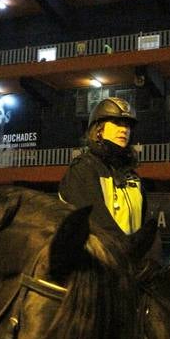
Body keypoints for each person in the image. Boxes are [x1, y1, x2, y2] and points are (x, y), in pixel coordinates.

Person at [59, 97, 145, 236]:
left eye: (127, 125)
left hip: (128, 250)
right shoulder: (83, 169)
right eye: (117, 123)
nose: (124, 130)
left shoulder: (132, 176)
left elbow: (143, 226)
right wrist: (127, 247)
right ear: (99, 130)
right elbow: (97, 225)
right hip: (100, 250)